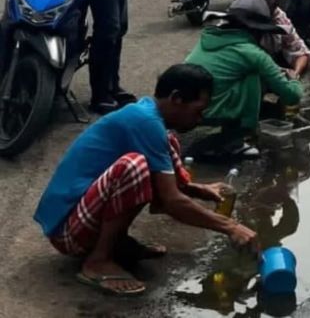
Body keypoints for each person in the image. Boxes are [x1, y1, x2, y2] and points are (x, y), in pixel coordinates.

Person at [33, 64, 258, 298]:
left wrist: (197, 189)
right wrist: (230, 227)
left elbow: (166, 185)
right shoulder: (145, 121)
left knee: (166, 144)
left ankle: (117, 243)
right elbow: (172, 202)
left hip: (82, 214)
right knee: (133, 166)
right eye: (198, 110)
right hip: (67, 232)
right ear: (177, 99)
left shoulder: (147, 115)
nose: (200, 118)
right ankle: (97, 261)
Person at [185, 0, 303, 134]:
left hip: (188, 111)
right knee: (254, 75)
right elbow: (292, 95)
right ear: (257, 30)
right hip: (214, 117)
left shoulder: (209, 38)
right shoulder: (252, 53)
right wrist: (294, 80)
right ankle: (245, 129)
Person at [241, 0, 310, 78]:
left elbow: (300, 52)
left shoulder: (278, 17)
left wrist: (295, 73)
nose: (274, 1)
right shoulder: (237, 21)